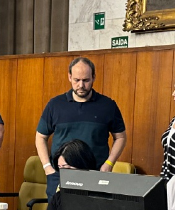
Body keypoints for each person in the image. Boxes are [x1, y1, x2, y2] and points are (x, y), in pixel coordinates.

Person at [35, 57, 126, 199]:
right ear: (69, 77)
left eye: (86, 80)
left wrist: (109, 164)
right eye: (77, 80)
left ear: (94, 77)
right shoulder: (55, 104)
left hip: (96, 174)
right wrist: (47, 167)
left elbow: (120, 137)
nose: (81, 85)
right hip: (60, 175)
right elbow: (40, 136)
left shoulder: (108, 105)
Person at [41, 139, 97, 210]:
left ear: (83, 166)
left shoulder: (99, 198)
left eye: (68, 169)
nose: (63, 175)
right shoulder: (58, 197)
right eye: (60, 169)